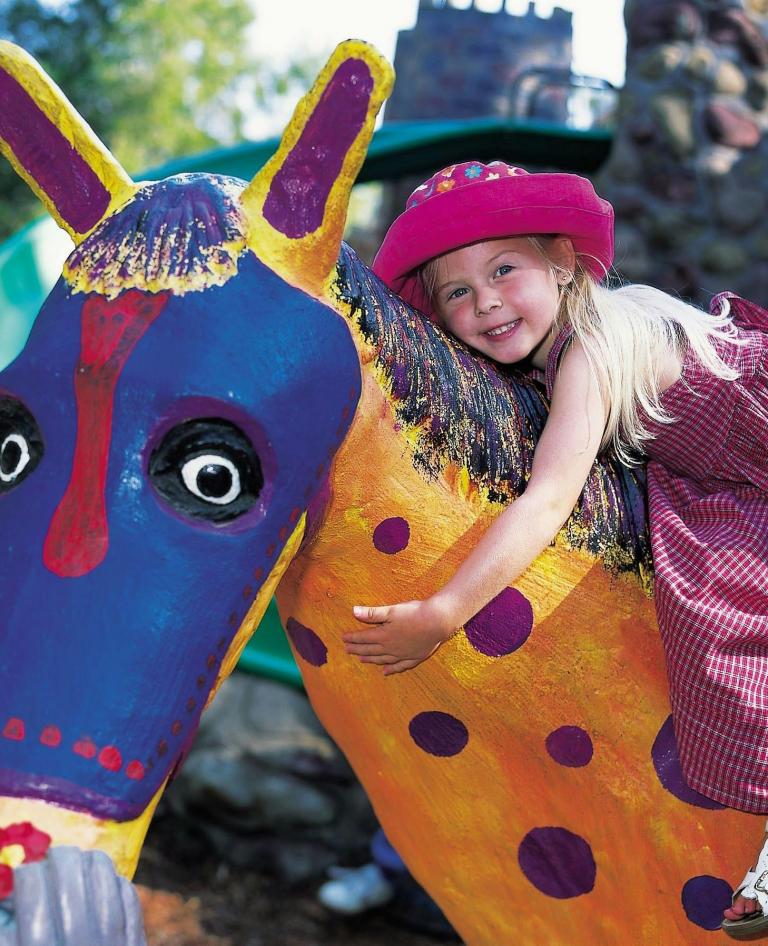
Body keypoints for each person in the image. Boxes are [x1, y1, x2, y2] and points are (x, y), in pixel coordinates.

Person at [341, 160, 768, 939]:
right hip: (732, 481)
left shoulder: (592, 351)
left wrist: (444, 612)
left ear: (563, 261)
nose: (487, 300)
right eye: (457, 292)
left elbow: (547, 498)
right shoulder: (574, 343)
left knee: (728, 649)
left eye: (504, 268)